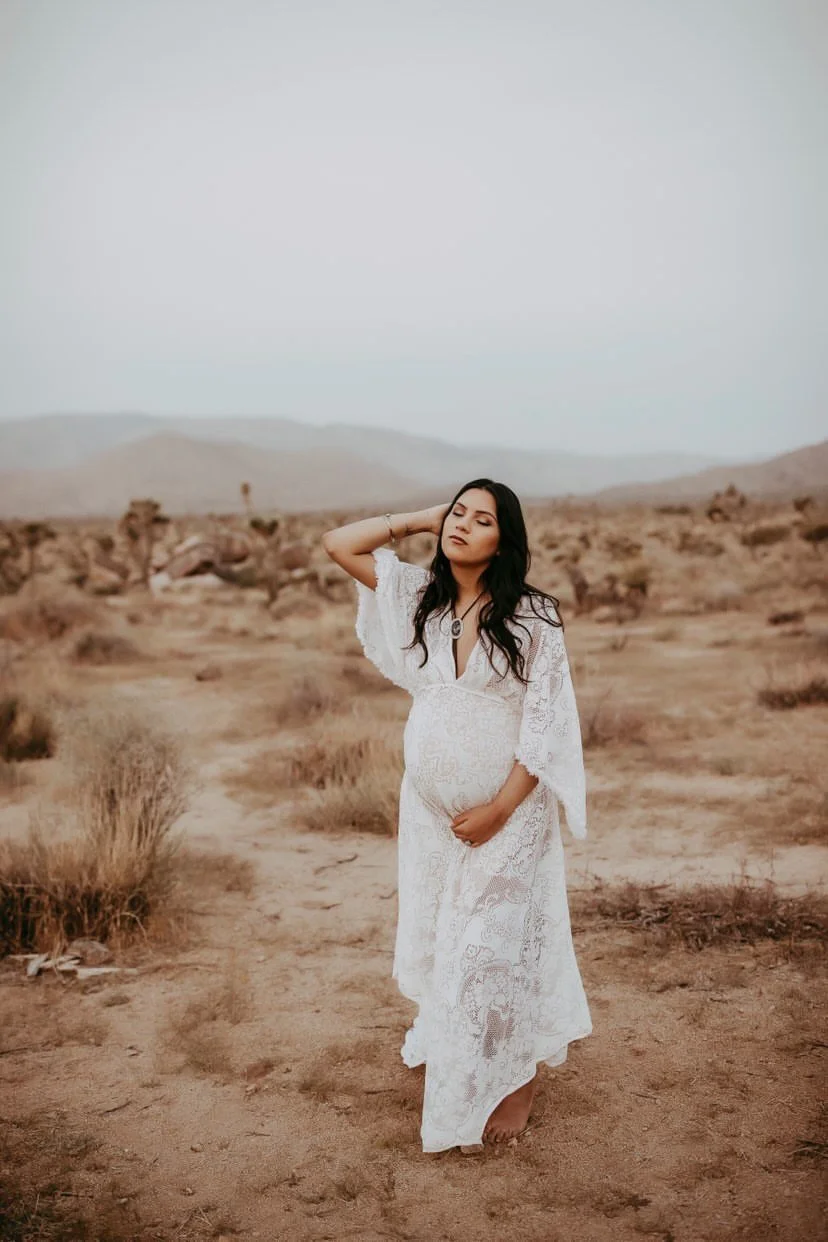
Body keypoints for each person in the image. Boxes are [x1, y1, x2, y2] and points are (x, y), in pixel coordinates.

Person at [321, 478, 592, 1153]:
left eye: (482, 519)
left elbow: (545, 724)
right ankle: (462, 1043)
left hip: (508, 809)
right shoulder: (423, 599)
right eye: (458, 514)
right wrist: (419, 516)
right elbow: (337, 544)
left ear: (507, 541)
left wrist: (501, 808)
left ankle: (518, 1075)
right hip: (429, 813)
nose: (463, 526)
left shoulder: (530, 617)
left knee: (495, 942)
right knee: (448, 931)